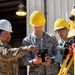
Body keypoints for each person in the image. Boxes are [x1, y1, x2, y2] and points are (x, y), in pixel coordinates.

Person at [22, 10, 59, 75]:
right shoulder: (27, 41)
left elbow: (58, 55)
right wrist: (34, 61)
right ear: (31, 25)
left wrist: (51, 60)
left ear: (43, 24)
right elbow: (24, 60)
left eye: (40, 26)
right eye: (36, 27)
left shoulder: (52, 38)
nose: (38, 29)